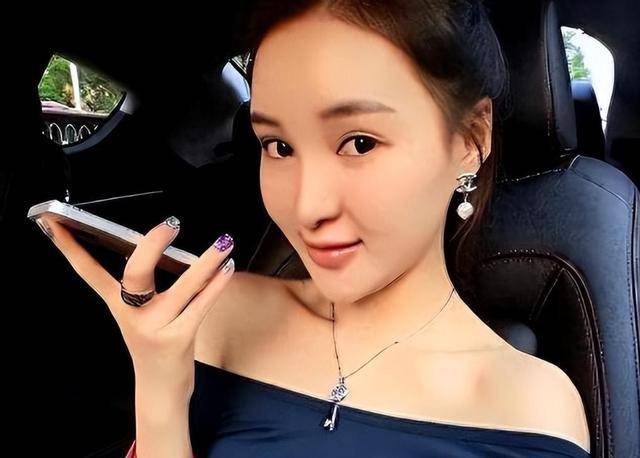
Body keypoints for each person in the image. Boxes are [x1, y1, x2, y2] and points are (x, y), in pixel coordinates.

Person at [42, 0, 591, 456]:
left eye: (359, 143)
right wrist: (158, 383)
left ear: (470, 139)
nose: (307, 207)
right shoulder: (219, 314)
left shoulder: (531, 407)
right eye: (278, 146)